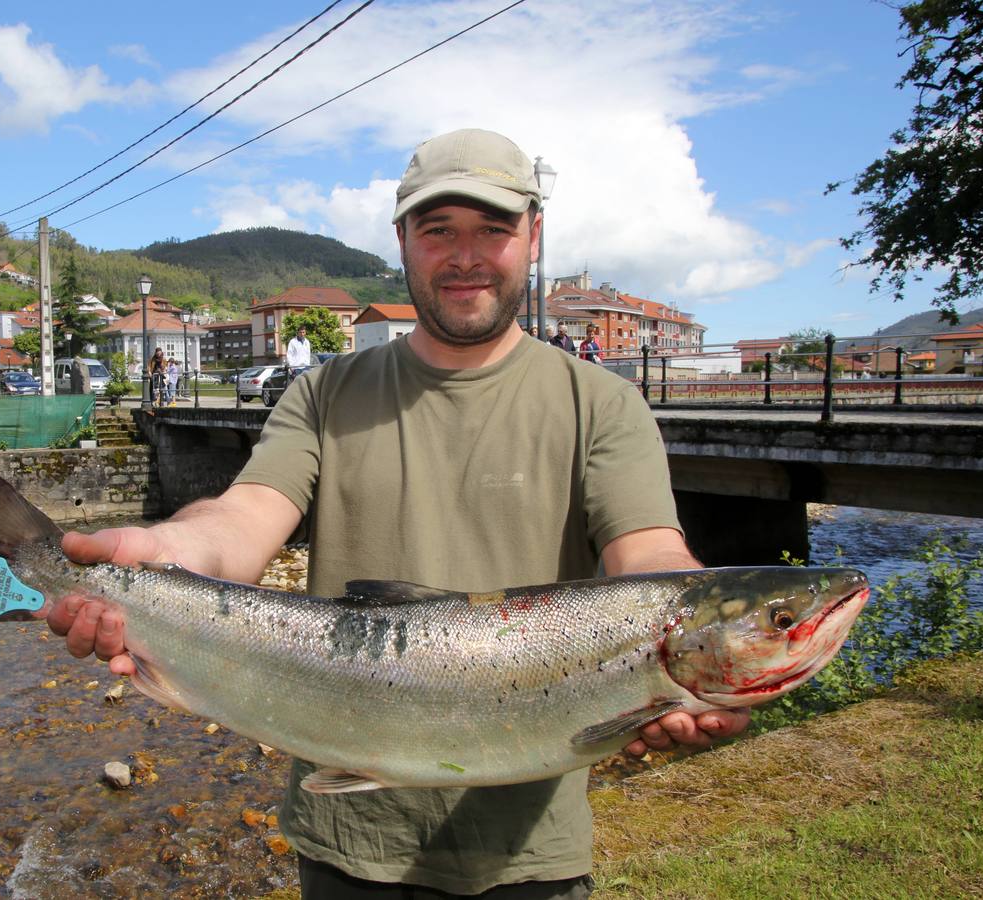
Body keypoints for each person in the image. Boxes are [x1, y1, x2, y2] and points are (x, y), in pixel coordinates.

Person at [48, 128, 748, 897]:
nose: (465, 256)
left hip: (531, 861)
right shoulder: (322, 395)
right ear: (402, 242)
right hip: (346, 851)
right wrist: (159, 551)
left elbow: (648, 555)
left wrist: (703, 645)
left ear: (533, 237)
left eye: (493, 229)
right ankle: (1, 578)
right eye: (437, 230)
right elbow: (242, 520)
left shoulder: (602, 404)